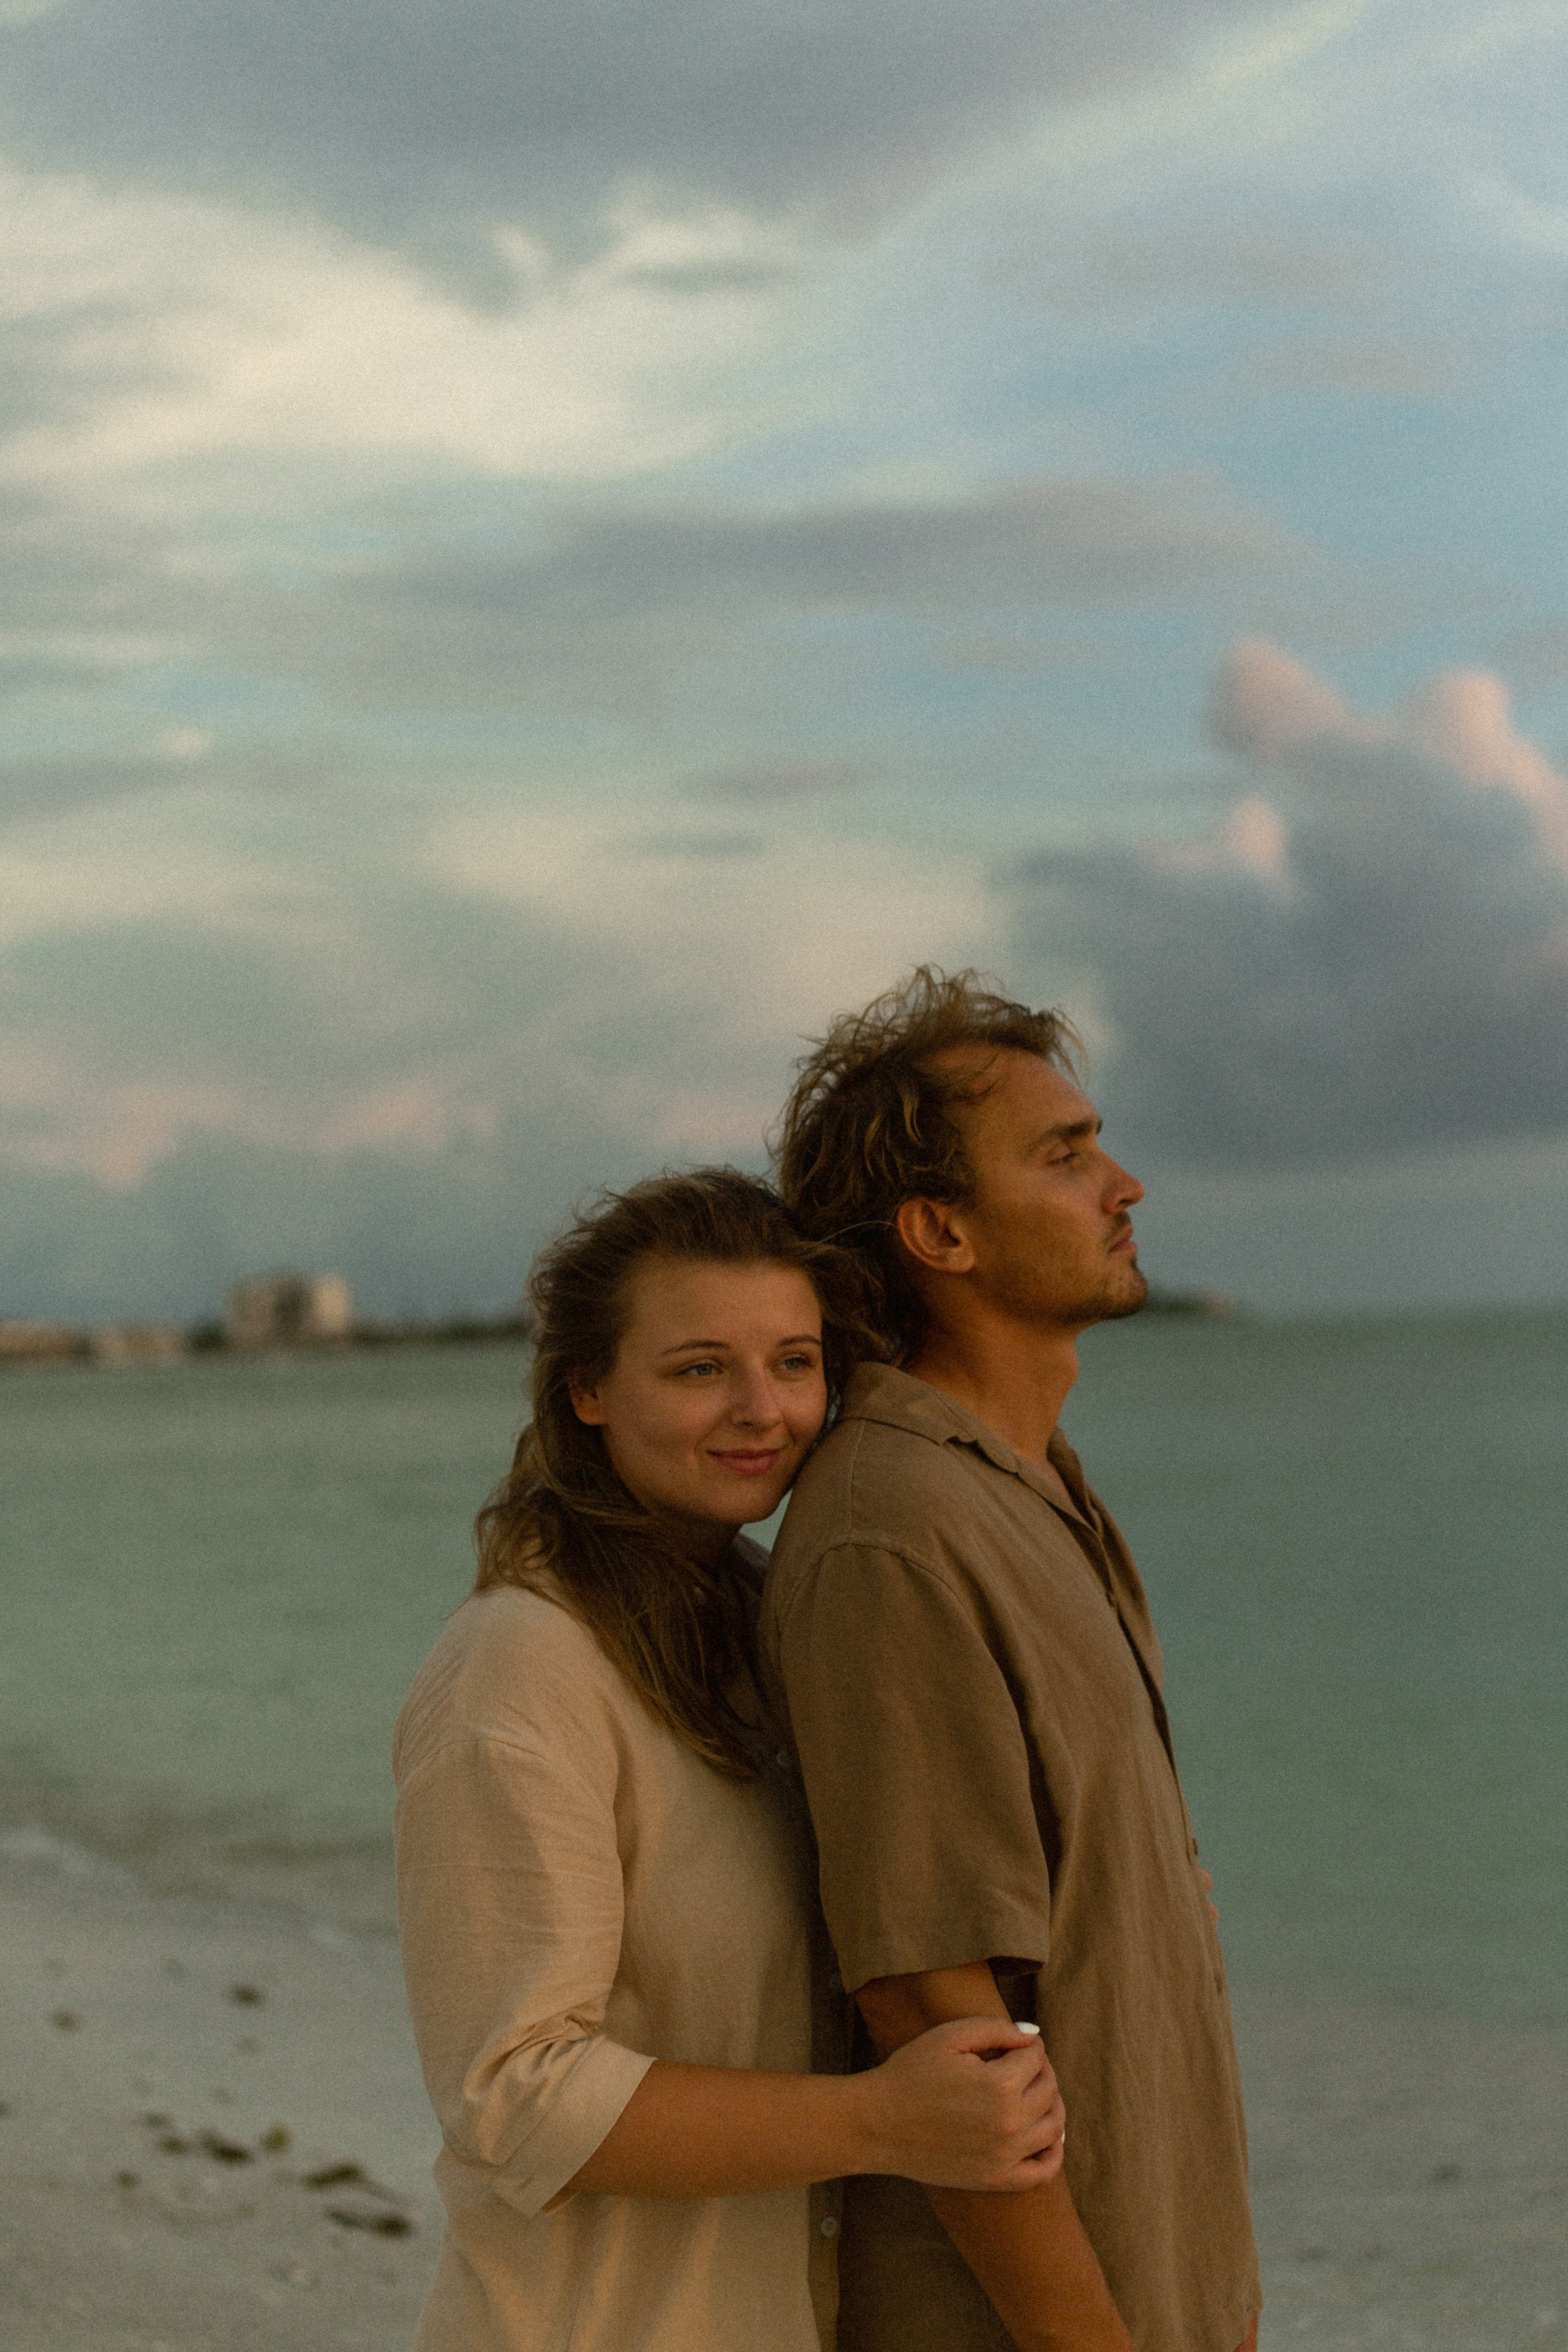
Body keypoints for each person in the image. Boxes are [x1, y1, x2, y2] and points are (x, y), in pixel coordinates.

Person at [393, 1168, 1068, 2352]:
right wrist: (882, 2121)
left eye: (795, 1362)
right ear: (587, 1390)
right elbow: (514, 2097)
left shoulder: (774, 1618)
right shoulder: (521, 1667)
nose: (763, 1410)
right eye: (700, 1369)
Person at [763, 971, 1261, 2352]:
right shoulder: (892, 1529)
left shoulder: (1032, 1487)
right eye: (1064, 1154)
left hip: (1155, 2281)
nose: (1124, 1184)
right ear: (940, 1231)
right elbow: (932, 2004)